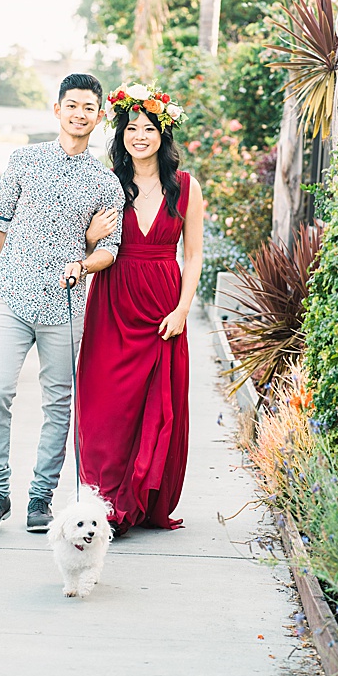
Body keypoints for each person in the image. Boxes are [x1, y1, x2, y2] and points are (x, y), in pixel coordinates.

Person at [0, 73, 124, 535]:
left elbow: (111, 250)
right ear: (57, 110)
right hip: (14, 297)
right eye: (72, 105)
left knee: (58, 404)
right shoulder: (24, 160)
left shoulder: (105, 182)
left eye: (88, 107)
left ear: (99, 117)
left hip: (65, 306)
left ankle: (41, 497)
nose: (80, 114)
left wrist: (85, 257)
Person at [77, 82, 204, 536]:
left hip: (163, 304)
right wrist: (91, 237)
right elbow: (83, 243)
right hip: (113, 298)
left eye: (149, 128)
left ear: (162, 135)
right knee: (106, 402)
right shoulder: (105, 181)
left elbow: (193, 255)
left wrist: (184, 308)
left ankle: (143, 497)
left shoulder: (186, 187)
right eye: (132, 128)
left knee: (158, 405)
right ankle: (105, 499)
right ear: (121, 134)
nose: (140, 136)